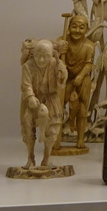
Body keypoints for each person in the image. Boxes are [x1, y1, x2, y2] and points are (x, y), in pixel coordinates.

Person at [19, 38, 66, 169]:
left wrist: (62, 74)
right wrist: (30, 97)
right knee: (28, 128)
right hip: (32, 100)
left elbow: (62, 82)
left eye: (45, 56)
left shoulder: (56, 64)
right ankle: (30, 158)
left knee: (53, 130)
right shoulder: (28, 66)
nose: (41, 60)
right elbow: (26, 84)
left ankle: (47, 158)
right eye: (38, 56)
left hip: (51, 99)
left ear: (52, 55)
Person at [56, 14, 96, 150]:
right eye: (74, 26)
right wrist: (58, 51)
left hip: (82, 78)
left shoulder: (89, 46)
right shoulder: (61, 41)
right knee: (58, 108)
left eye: (81, 27)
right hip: (65, 78)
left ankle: (80, 139)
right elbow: (53, 58)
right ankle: (56, 139)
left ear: (86, 29)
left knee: (83, 109)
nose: (77, 30)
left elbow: (89, 64)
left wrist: (80, 76)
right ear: (68, 27)